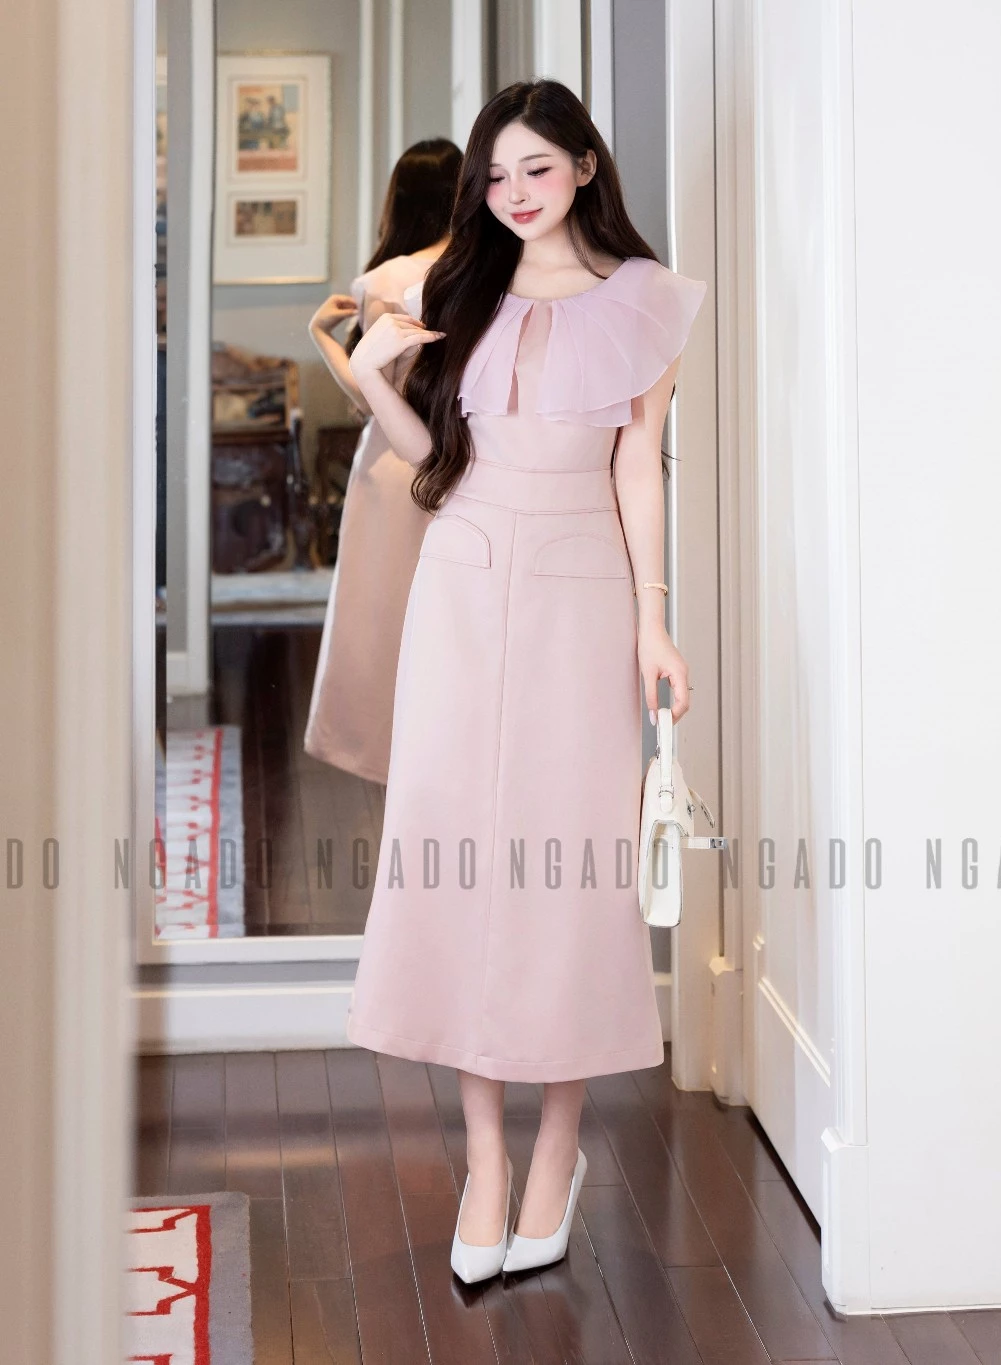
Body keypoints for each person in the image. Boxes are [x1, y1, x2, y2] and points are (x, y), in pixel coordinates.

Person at [340, 80, 707, 1283]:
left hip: (581, 588)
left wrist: (653, 623)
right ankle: (486, 1163)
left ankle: (557, 1150)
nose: (513, 194)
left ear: (585, 167)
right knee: (457, 856)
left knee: (569, 871)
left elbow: (637, 468)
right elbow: (434, 462)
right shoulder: (458, 287)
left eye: (535, 169)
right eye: (494, 176)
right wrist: (369, 379)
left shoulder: (646, 301)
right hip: (462, 580)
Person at [304, 138, 463, 784]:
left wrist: (319, 335)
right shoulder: (486, 266)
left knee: (382, 620)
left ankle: (392, 762)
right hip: (465, 459)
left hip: (394, 470)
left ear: (401, 200)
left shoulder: (386, 281)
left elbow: (369, 396)